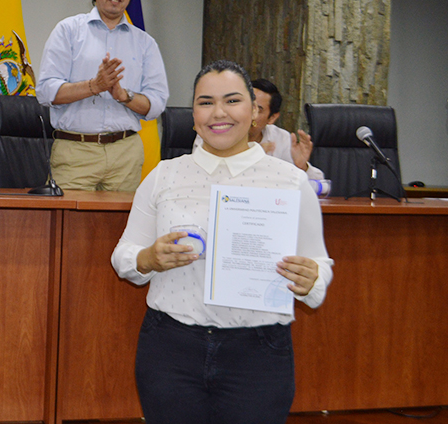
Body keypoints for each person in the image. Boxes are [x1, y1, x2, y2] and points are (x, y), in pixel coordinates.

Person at [111, 60, 333, 424]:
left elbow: (319, 267)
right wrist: (149, 258)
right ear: (193, 112)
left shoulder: (291, 182)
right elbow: (124, 256)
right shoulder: (164, 174)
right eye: (205, 102)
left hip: (258, 354)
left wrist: (312, 280)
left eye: (232, 101)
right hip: (170, 347)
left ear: (255, 111)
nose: (219, 113)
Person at [36, 0, 169, 192]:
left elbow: (157, 104)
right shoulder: (68, 31)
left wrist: (124, 96)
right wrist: (93, 87)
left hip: (125, 154)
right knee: (68, 229)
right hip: (75, 152)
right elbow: (45, 91)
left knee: (120, 229)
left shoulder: (145, 43)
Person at [193, 78, 324, 180]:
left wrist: (301, 167)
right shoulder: (212, 131)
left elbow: (320, 183)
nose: (249, 113)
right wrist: (249, 155)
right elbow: (197, 174)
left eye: (258, 109)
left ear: (272, 118)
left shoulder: (281, 139)